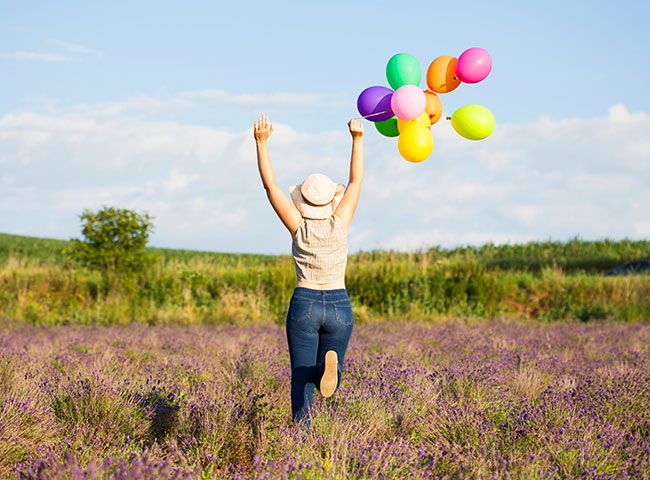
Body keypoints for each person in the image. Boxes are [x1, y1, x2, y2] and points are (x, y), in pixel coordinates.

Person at [253, 114, 364, 430]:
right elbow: (356, 181)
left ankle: (301, 437)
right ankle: (331, 372)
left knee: (300, 374)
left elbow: (269, 185)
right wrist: (357, 139)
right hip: (339, 304)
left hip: (305, 301)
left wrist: (261, 143)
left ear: (302, 202)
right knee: (330, 367)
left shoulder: (297, 225)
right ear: (331, 201)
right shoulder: (339, 222)